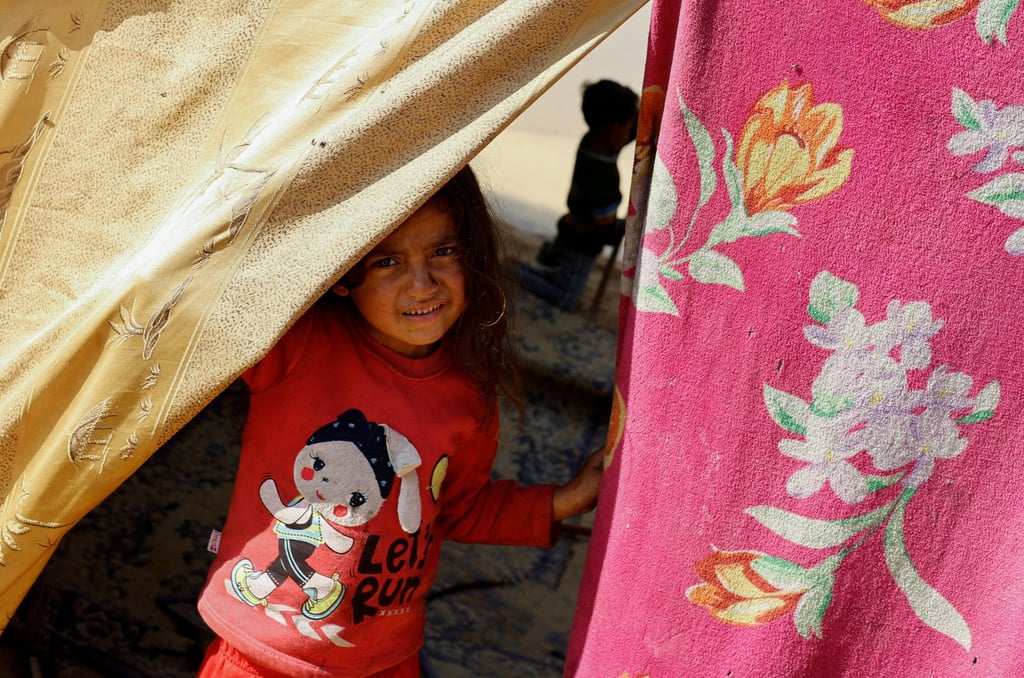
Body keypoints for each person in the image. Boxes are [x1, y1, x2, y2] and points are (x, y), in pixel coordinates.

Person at [195, 165, 604, 678]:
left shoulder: (468, 395)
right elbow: (210, 283)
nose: (422, 284)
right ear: (343, 273)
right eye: (387, 260)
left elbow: (458, 509)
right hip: (255, 652)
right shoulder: (295, 346)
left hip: (384, 661)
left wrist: (564, 500)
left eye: (444, 252)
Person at [515, 79, 639, 311]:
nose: (629, 132)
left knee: (559, 275)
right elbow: (603, 225)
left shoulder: (593, 140)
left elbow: (631, 128)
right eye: (627, 125)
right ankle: (515, 273)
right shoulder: (602, 177)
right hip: (582, 244)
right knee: (565, 297)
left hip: (570, 229)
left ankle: (544, 261)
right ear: (614, 128)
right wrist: (624, 226)